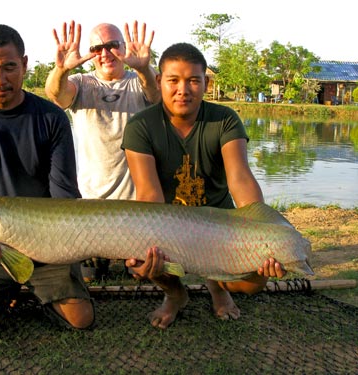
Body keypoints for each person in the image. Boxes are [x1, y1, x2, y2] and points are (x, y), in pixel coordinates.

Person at [121, 42, 287, 329]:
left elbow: (240, 179)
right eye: (173, 80)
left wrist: (261, 232)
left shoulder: (224, 119)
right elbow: (148, 193)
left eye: (193, 80)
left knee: (253, 283)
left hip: (219, 226)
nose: (183, 89)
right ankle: (175, 294)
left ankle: (218, 287)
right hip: (170, 225)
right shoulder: (140, 125)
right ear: (159, 82)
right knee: (142, 261)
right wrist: (145, 243)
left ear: (206, 83)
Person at [0, 24, 94, 340]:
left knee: (81, 319)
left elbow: (64, 196)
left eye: (9, 67)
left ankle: (34, 293)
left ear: (24, 65)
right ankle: (4, 291)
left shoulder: (52, 118)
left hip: (48, 245)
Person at [45, 20, 160, 280]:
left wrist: (143, 68)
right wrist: (61, 69)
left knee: (142, 272)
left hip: (135, 205)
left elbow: (157, 97)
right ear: (91, 54)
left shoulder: (138, 82)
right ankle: (98, 257)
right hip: (91, 205)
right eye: (97, 48)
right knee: (89, 276)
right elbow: (56, 96)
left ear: (124, 47)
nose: (105, 54)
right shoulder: (81, 83)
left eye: (112, 46)